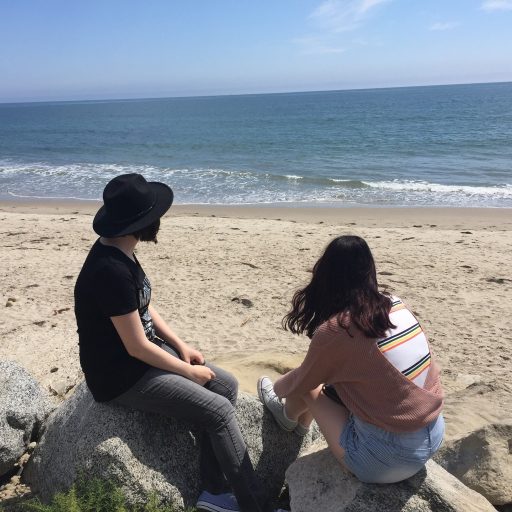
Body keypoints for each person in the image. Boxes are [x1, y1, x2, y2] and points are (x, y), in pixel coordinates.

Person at [74, 173, 284, 512]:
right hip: (120, 376)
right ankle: (256, 505)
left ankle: (214, 491)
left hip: (141, 355)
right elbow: (136, 347)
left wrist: (180, 344)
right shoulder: (108, 270)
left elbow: (142, 306)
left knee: (226, 385)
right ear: (139, 224)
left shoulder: (121, 249)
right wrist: (187, 371)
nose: (159, 221)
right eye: (154, 215)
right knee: (219, 411)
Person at [258, 235, 444, 484]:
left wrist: (277, 390)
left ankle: (287, 417)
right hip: (434, 432)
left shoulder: (340, 329)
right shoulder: (396, 305)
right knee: (339, 380)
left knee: (309, 385)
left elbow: (303, 380)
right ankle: (301, 425)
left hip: (387, 461)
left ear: (326, 275)